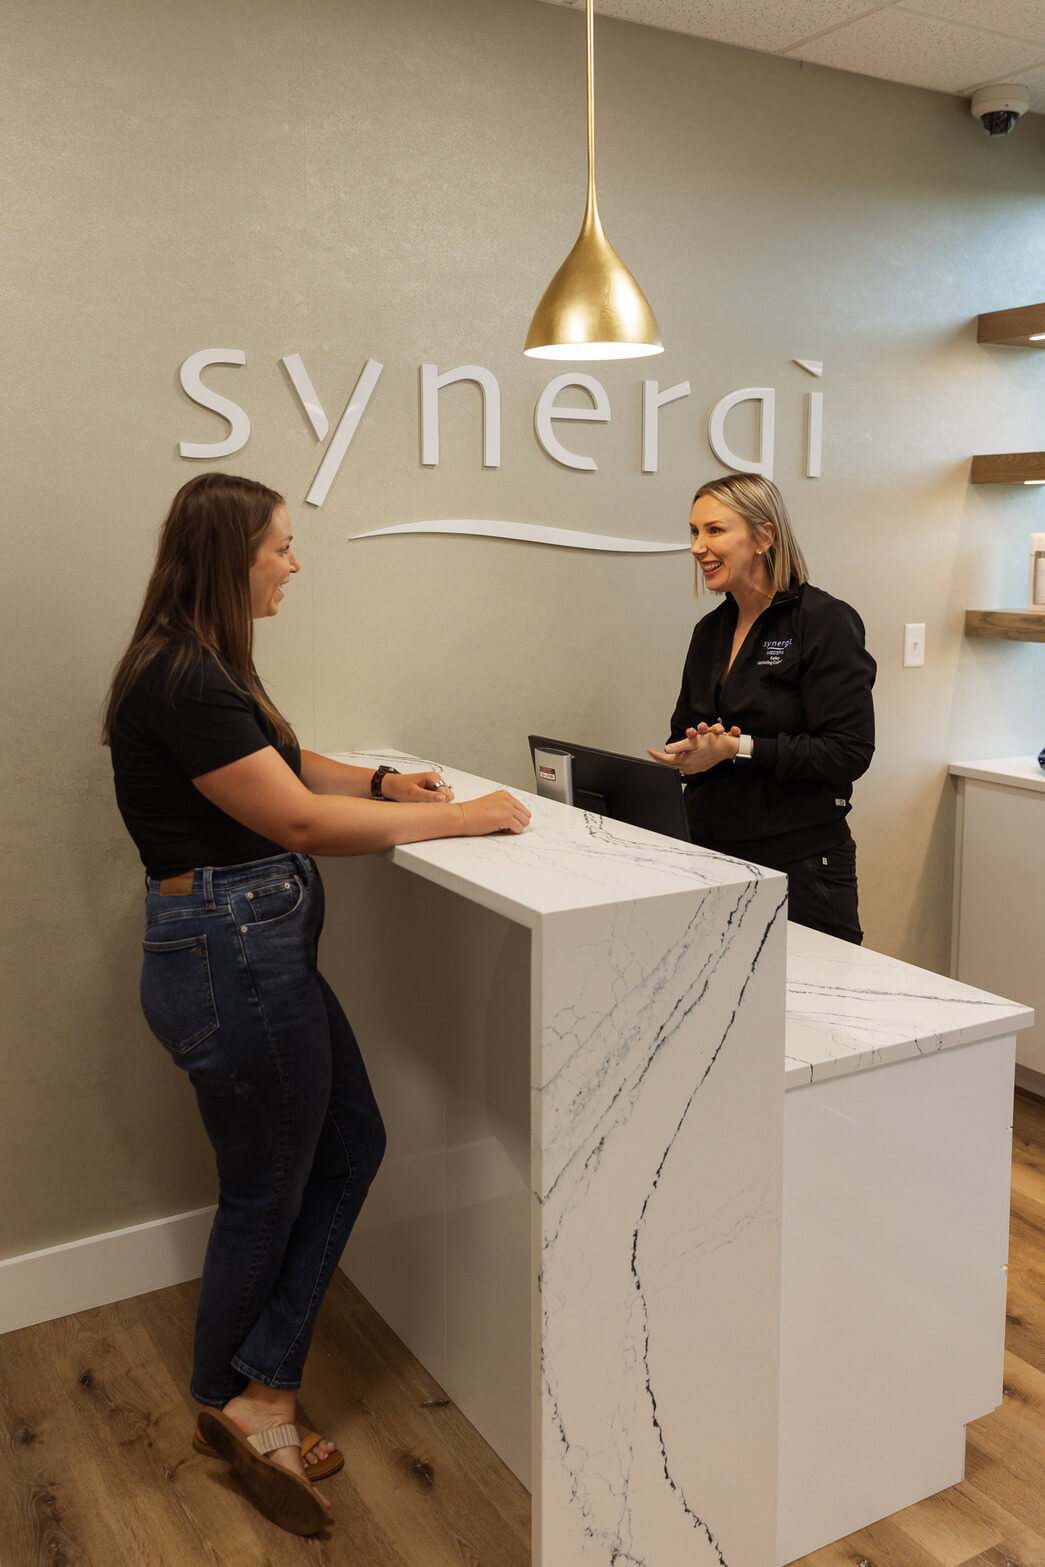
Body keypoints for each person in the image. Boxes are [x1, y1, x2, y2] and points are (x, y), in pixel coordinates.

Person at [103, 472, 530, 1536]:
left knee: (348, 1144)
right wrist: (467, 817)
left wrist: (386, 785)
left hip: (248, 951)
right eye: (282, 547)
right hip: (232, 955)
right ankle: (246, 1398)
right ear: (230, 554)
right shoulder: (183, 677)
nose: (295, 564)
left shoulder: (192, 665)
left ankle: (250, 1385)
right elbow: (293, 819)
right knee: (267, 1188)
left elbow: (283, 767)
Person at [648, 473, 875, 944]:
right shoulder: (709, 631)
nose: (696, 547)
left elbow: (848, 752)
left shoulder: (824, 622)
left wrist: (738, 748)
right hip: (712, 856)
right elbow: (684, 729)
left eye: (714, 530)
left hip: (802, 867)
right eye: (693, 532)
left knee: (811, 1012)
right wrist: (690, 752)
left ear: (764, 537)